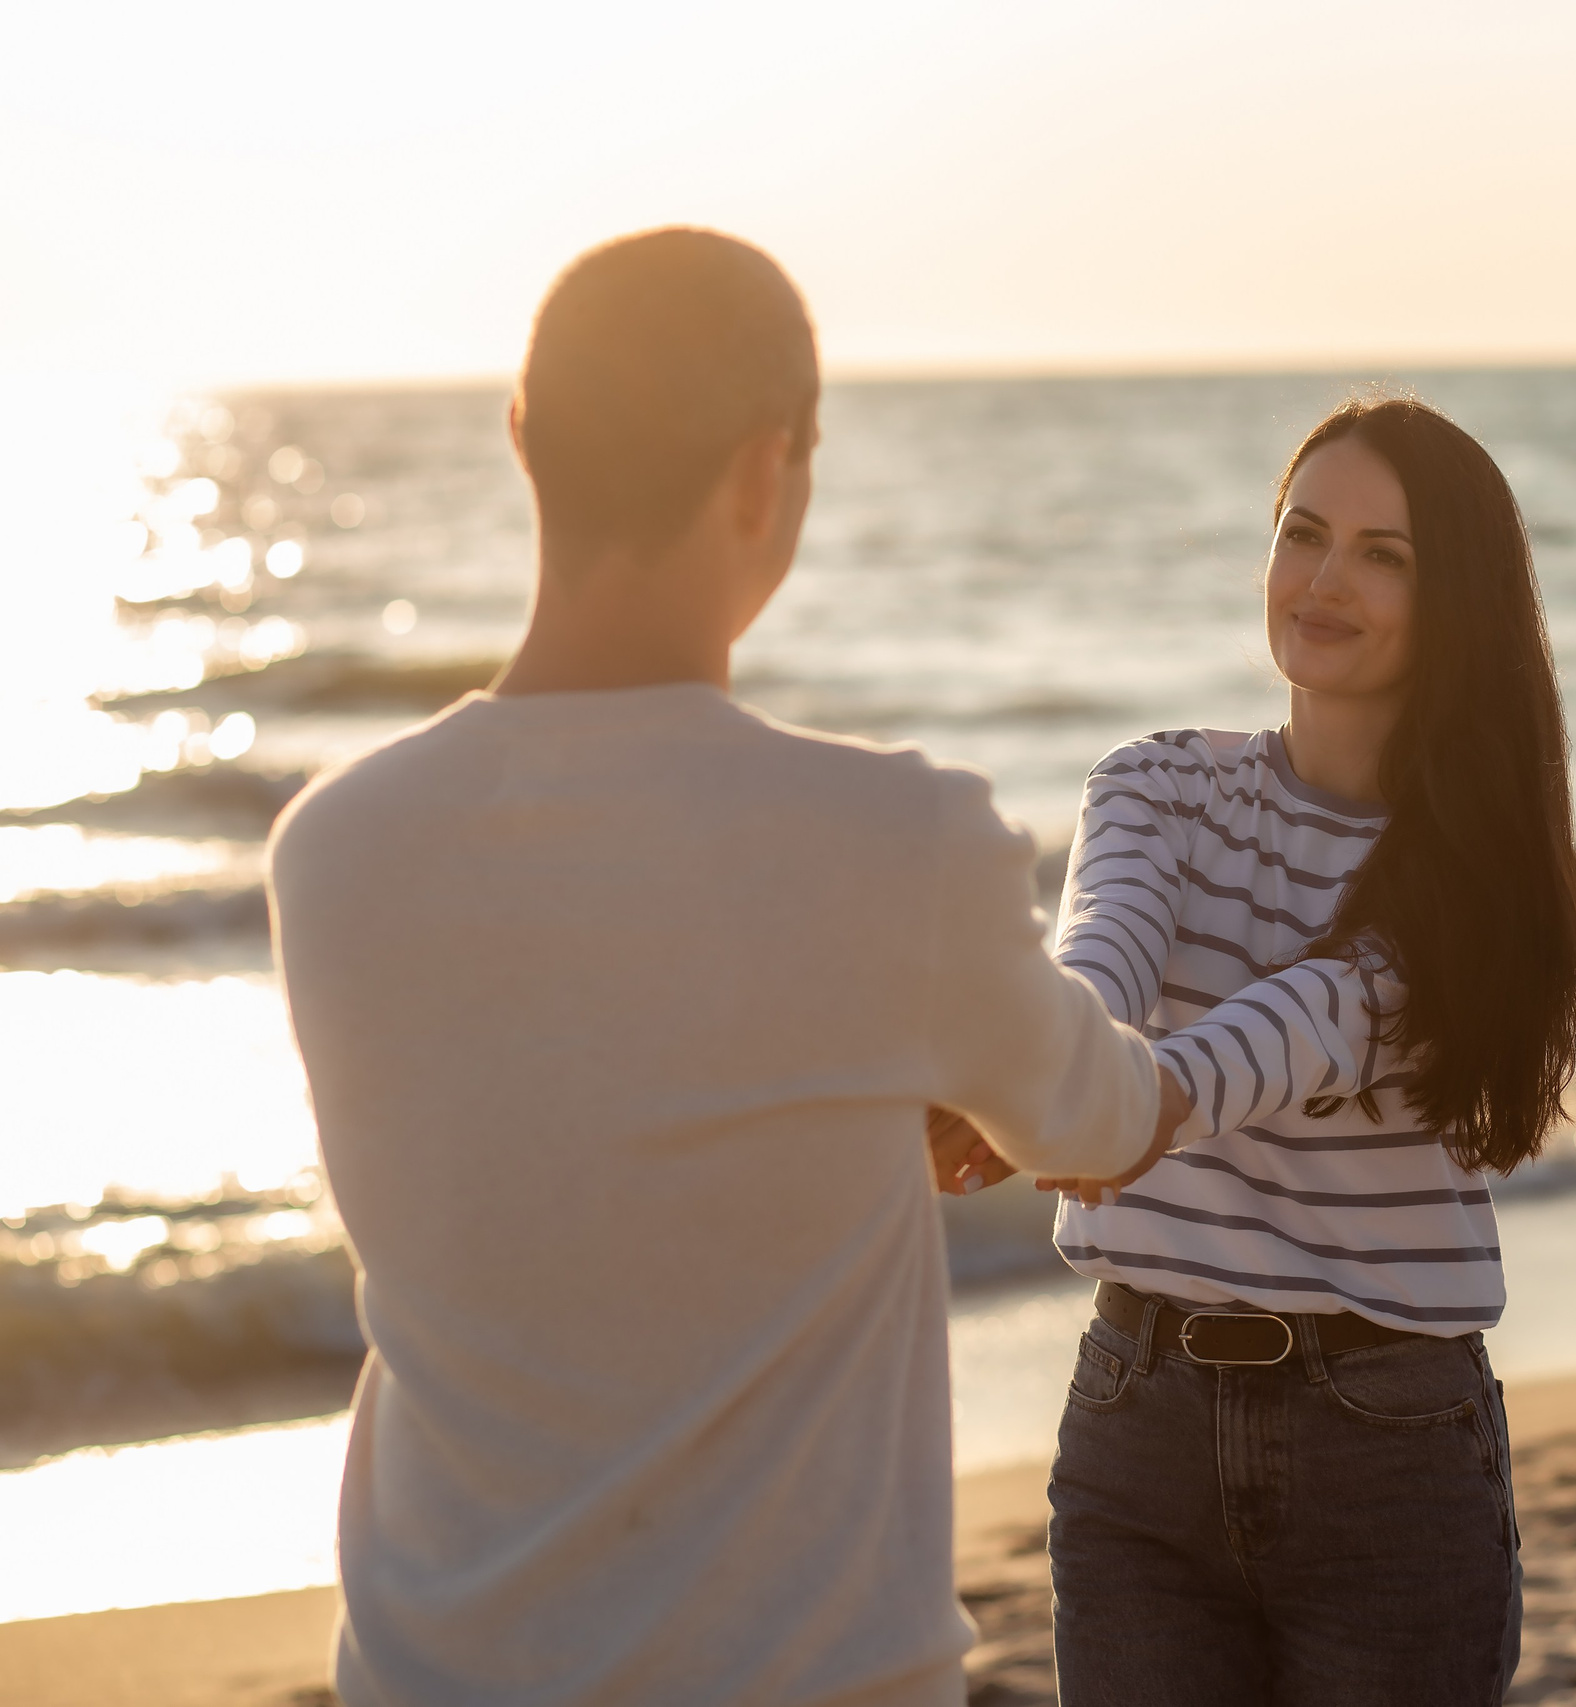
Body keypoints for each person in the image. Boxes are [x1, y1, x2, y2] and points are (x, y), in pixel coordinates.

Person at [267, 228, 1179, 1707]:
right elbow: (1109, 1121)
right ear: (768, 472)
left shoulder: (332, 849)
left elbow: (573, 1132)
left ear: (523, 440)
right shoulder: (900, 843)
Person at [946, 396, 1576, 1704]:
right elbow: (1101, 960)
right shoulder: (1155, 785)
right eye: (1303, 534)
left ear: (1458, 599)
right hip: (1137, 1428)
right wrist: (1038, 1080)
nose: (1324, 580)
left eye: (1384, 554)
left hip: (1386, 1451)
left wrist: (1127, 1103)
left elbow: (1312, 1023)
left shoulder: (1478, 873)